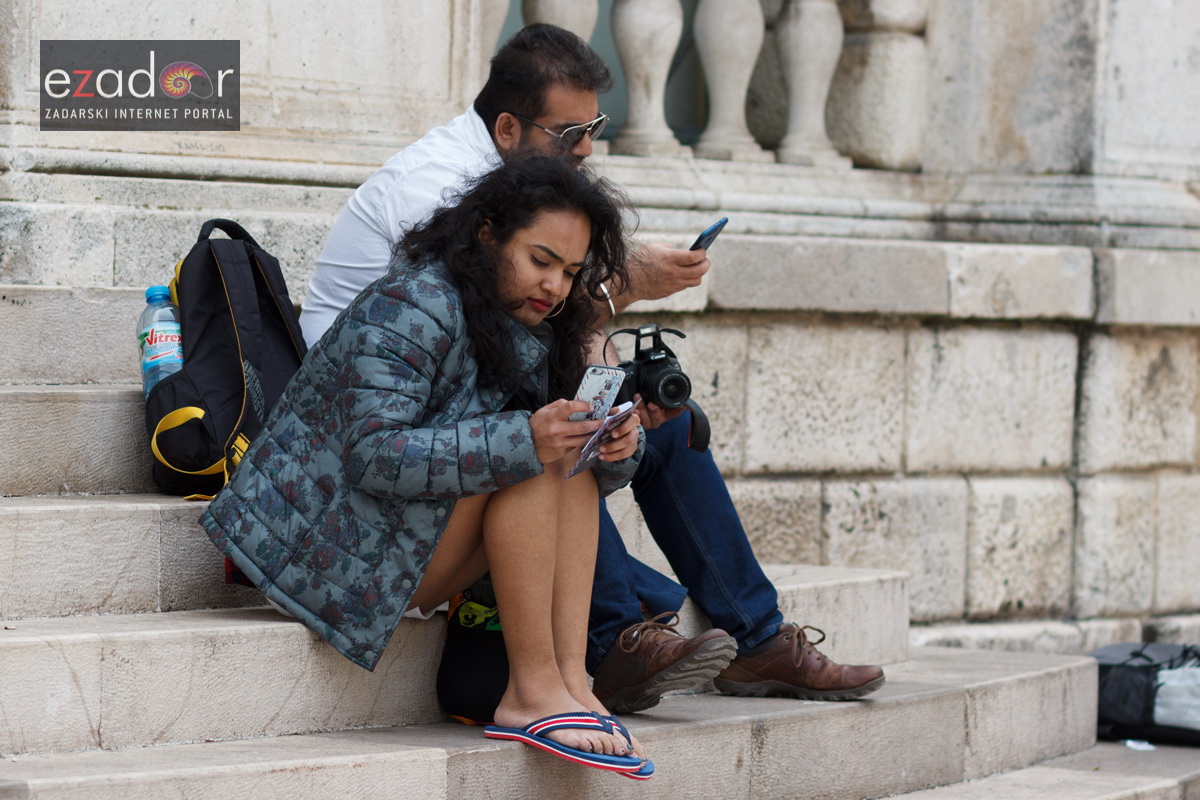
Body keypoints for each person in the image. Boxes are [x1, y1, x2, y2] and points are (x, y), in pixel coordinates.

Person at [301, 23, 885, 716]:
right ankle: (611, 640)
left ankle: (755, 636)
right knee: (552, 436)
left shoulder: (517, 190)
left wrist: (618, 403)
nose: (586, 147)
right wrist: (620, 288)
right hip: (385, 432)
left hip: (461, 397)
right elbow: (501, 341)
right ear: (510, 128)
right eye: (568, 131)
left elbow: (539, 332)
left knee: (657, 428)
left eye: (595, 126)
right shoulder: (441, 194)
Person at [201, 156, 657, 778]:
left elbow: (558, 463)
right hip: (322, 548)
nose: (554, 286)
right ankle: (529, 692)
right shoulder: (412, 303)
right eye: (541, 260)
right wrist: (525, 438)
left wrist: (612, 447)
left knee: (560, 465)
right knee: (528, 462)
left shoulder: (534, 323)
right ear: (488, 233)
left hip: (404, 535)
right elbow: (373, 455)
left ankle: (572, 682)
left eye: (571, 272)